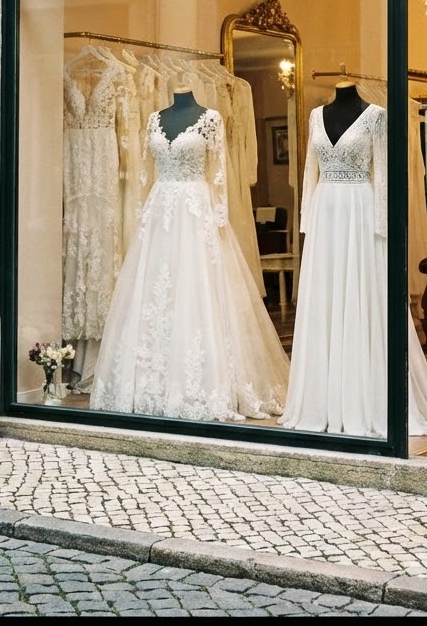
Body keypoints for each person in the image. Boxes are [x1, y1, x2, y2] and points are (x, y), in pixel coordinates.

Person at [280, 81, 427, 437]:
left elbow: (385, 176)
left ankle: (365, 397)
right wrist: (307, 221)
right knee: (325, 301)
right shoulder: (314, 116)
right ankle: (321, 400)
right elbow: (311, 170)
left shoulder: (376, 117)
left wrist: (381, 228)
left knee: (360, 299)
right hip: (326, 216)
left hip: (360, 213)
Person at [89, 88, 289, 421]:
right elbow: (144, 174)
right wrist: (142, 214)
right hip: (159, 214)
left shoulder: (211, 118)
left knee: (199, 292)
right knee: (155, 295)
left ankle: (203, 385)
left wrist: (220, 216)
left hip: (197, 212)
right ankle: (148, 384)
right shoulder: (154, 119)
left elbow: (221, 175)